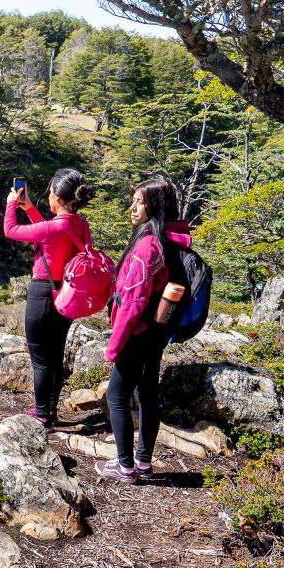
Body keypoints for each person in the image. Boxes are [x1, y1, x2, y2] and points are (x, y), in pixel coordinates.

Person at [95, 178, 194, 483]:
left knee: (116, 396)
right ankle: (143, 462)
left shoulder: (147, 245)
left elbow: (132, 303)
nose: (133, 207)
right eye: (134, 200)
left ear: (155, 206)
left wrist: (114, 346)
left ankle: (125, 466)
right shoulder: (168, 238)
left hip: (137, 334)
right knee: (148, 394)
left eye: (139, 202)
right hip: (156, 332)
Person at [4, 168, 96, 427]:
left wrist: (12, 204)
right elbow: (48, 232)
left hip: (43, 293)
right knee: (55, 357)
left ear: (57, 196)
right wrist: (30, 208)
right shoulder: (80, 223)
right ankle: (50, 411)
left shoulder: (52, 227)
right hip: (67, 295)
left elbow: (11, 230)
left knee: (40, 361)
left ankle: (42, 414)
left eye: (50, 191)